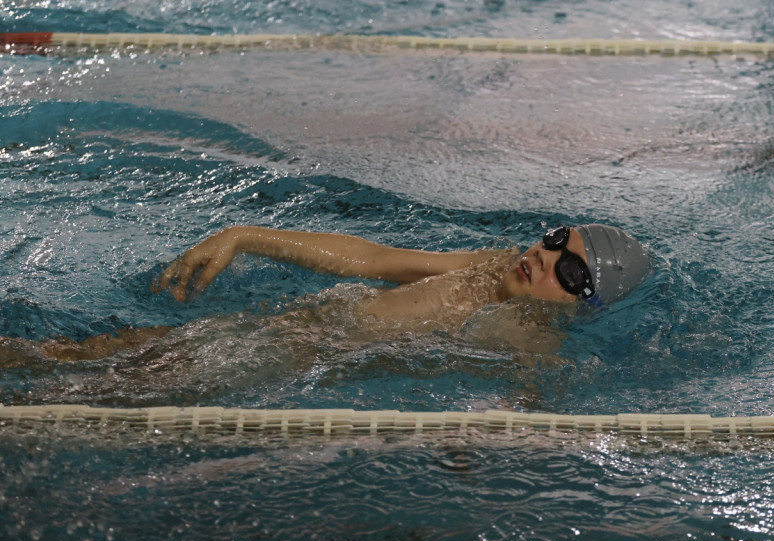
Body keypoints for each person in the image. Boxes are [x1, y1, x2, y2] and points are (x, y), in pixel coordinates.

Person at [1, 223, 650, 365]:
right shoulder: (489, 267)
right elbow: (371, 259)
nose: (545, 259)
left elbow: (522, 410)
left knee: (79, 386)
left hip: (279, 361)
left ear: (586, 304)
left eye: (570, 273)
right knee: (66, 354)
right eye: (555, 240)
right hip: (284, 327)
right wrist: (246, 236)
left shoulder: (527, 337)